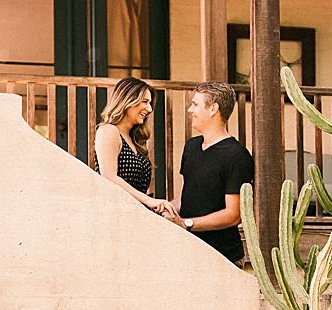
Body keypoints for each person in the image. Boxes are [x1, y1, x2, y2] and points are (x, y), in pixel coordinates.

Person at [164, 81, 253, 264]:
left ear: (213, 109)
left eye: (195, 104)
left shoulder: (237, 156)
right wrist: (166, 209)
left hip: (223, 258)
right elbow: (186, 197)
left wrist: (187, 224)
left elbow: (233, 214)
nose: (190, 110)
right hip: (188, 253)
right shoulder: (191, 147)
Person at [93, 77, 173, 216]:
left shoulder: (134, 139)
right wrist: (149, 201)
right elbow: (109, 176)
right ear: (128, 100)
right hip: (114, 215)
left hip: (136, 215)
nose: (149, 109)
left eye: (150, 103)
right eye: (145, 102)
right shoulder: (108, 131)